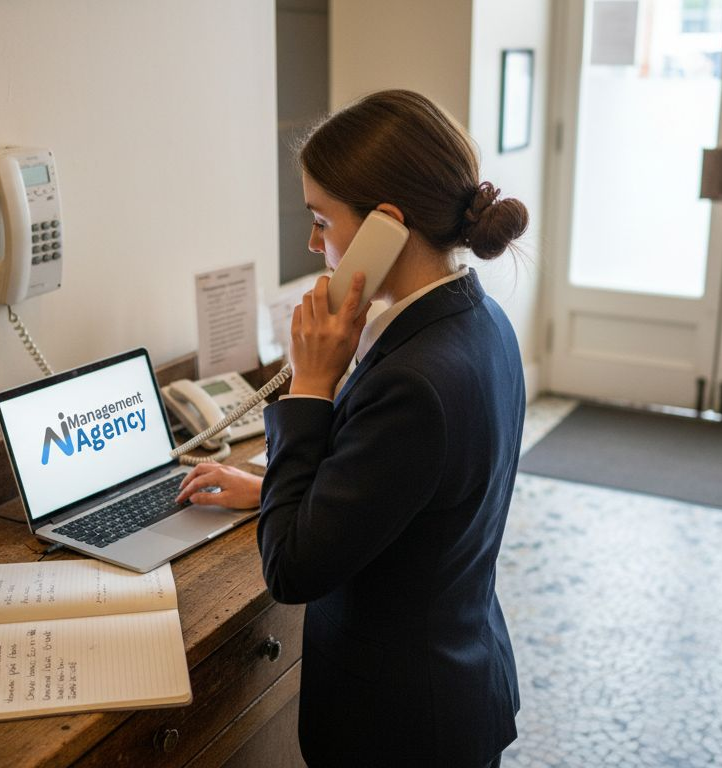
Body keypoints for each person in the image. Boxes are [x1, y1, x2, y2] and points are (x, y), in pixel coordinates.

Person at [176, 89, 527, 768]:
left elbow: (294, 567)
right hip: (458, 673)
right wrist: (277, 483)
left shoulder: (414, 380)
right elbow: (404, 485)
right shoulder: (477, 322)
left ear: (384, 226)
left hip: (402, 726)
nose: (313, 243)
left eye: (320, 219)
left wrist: (310, 383)